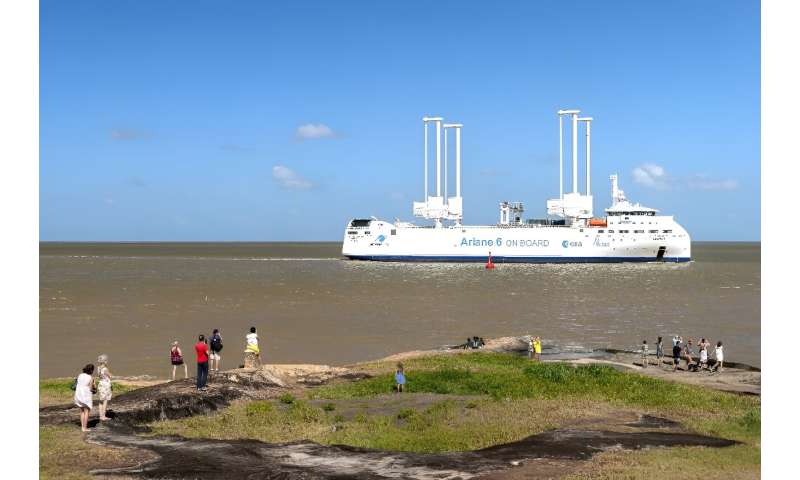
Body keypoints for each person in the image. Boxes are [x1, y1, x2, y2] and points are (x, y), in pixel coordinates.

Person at [74, 364, 95, 432]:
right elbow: (91, 388)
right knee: (87, 411)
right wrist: (95, 388)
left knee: (82, 411)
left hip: (78, 394)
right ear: (91, 370)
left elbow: (78, 382)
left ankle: (82, 427)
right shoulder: (90, 377)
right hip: (85, 395)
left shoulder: (80, 375)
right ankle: (84, 428)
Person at [96, 354, 113, 421]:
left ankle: (101, 415)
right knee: (105, 401)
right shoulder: (105, 369)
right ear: (105, 361)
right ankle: (103, 416)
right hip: (106, 385)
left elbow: (99, 376)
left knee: (101, 401)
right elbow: (110, 376)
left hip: (101, 384)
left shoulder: (98, 368)